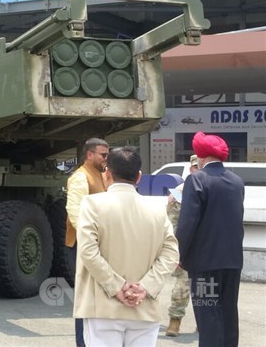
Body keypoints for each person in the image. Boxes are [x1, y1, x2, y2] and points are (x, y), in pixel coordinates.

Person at [74, 146, 179, 346]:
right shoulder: (157, 209)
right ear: (139, 177)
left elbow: (88, 252)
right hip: (144, 308)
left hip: (102, 307)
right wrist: (144, 288)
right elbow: (171, 254)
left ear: (107, 174)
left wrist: (117, 287)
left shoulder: (92, 205)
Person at [176, 132, 245, 346]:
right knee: (228, 314)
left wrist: (179, 254)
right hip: (232, 262)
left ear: (200, 156)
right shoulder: (237, 181)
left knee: (208, 317)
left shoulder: (196, 180)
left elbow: (188, 223)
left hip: (205, 264)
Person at [65, 138, 109, 346]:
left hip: (96, 245)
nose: (106, 159)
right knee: (85, 299)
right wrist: (90, 241)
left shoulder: (102, 175)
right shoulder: (80, 177)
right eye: (103, 155)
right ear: (89, 155)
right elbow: (75, 213)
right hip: (83, 246)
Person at [165, 154, 199, 337]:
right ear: (191, 169)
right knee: (183, 285)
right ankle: (175, 320)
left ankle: (204, 321)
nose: (197, 170)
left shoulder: (212, 187)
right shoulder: (180, 191)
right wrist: (176, 251)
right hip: (185, 246)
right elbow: (172, 223)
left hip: (206, 247)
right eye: (195, 167)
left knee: (206, 286)